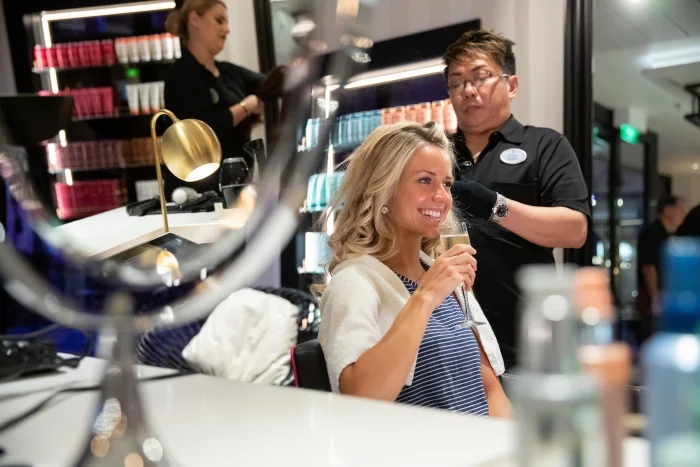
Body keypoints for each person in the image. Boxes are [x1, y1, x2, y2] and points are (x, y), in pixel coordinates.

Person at [317, 121, 512, 418]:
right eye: (425, 181)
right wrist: (424, 298)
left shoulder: (443, 277)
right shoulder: (354, 283)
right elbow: (359, 397)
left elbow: (490, 390)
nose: (442, 197)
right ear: (384, 189)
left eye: (446, 184)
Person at [443, 30, 591, 369]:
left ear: (511, 85)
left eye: (480, 77)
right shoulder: (436, 152)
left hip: (526, 337)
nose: (468, 90)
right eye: (456, 82)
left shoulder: (544, 145)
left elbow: (575, 230)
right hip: (449, 336)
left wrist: (495, 206)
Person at [164, 0, 265, 194]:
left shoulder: (229, 72)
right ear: (195, 20)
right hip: (198, 194)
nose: (226, 29)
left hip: (238, 185)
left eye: (226, 23)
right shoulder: (181, 75)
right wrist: (246, 107)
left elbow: (269, 83)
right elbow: (203, 131)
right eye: (219, 21)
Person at [636, 195, 687, 343]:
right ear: (667, 210)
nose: (683, 214)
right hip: (653, 298)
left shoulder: (671, 236)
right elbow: (649, 268)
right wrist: (655, 298)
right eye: (680, 210)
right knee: (654, 338)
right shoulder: (652, 234)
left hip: (666, 297)